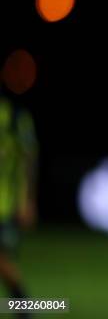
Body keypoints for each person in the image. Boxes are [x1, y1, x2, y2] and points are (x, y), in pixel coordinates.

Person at [0, 92, 37, 312]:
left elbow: (28, 158)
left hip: (4, 206)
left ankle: (25, 308)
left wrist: (27, 200)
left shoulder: (14, 117)